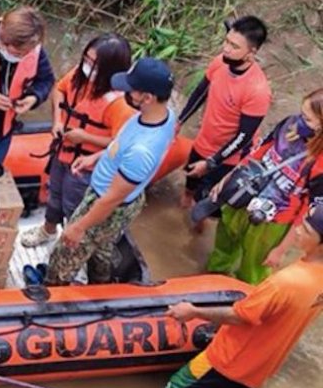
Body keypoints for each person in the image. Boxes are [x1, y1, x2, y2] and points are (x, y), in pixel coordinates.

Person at [152, 205, 323, 388]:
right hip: (261, 367)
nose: (297, 230)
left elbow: (241, 316)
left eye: (306, 230)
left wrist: (193, 311)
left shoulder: (286, 282)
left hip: (227, 359)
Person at [46, 58, 176, 285]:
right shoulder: (164, 117)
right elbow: (121, 143)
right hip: (123, 196)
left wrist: (78, 227)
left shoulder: (141, 151)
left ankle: (52, 289)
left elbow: (111, 199)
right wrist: (96, 158)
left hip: (108, 201)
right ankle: (101, 283)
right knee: (102, 247)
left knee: (65, 254)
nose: (126, 93)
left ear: (147, 98)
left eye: (131, 90)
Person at [21, 33, 134, 247]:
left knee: (74, 204)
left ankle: (70, 242)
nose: (87, 66)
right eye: (87, 60)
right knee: (54, 194)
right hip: (62, 152)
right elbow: (59, 90)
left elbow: (121, 144)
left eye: (95, 64)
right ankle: (48, 230)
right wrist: (57, 122)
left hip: (86, 166)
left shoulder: (120, 104)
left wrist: (85, 137)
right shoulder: (79, 76)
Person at [203, 88, 323, 284]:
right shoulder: (288, 125)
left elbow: (307, 212)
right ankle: (214, 278)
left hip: (273, 220)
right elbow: (259, 151)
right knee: (225, 239)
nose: (300, 121)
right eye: (302, 114)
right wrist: (228, 178)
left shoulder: (320, 164)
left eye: (308, 120)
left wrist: (281, 249)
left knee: (254, 266)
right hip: (245, 194)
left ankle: (243, 297)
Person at [180, 16, 271, 224]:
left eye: (234, 46)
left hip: (227, 156)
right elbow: (200, 93)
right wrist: (180, 121)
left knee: (206, 201)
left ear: (252, 52)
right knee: (189, 183)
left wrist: (212, 162)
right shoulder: (220, 62)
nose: (226, 49)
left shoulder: (257, 90)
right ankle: (185, 206)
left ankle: (199, 221)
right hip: (204, 140)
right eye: (227, 42)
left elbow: (244, 136)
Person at [0, 5, 55, 166]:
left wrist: (34, 97)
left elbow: (46, 80)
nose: (21, 57)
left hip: (0, 135)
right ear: (3, 40)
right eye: (17, 53)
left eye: (25, 53)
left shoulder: (33, 48)